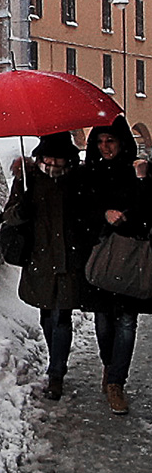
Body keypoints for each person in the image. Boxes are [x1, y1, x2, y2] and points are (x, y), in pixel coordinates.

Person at [3, 131, 90, 400]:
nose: (53, 162)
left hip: (68, 258)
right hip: (39, 258)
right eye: (49, 156)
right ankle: (55, 361)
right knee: (46, 316)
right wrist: (22, 210)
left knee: (62, 317)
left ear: (68, 158)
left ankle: (56, 373)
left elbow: (86, 215)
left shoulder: (78, 180)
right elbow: (10, 214)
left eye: (59, 157)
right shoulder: (28, 180)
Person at [82, 116, 152, 415]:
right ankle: (109, 365)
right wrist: (103, 214)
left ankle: (116, 382)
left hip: (131, 256)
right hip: (99, 259)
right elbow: (81, 207)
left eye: (110, 141)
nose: (105, 147)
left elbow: (148, 211)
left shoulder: (136, 171)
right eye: (100, 141)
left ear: (122, 142)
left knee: (126, 321)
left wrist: (142, 182)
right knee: (103, 321)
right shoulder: (91, 172)